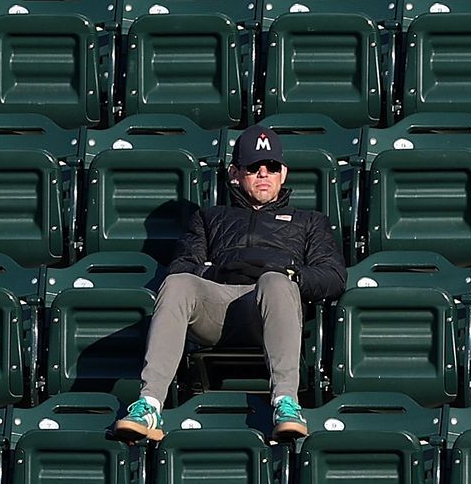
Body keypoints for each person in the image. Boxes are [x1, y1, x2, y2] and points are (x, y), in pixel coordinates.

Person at [111, 124, 345, 442]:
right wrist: (222, 271)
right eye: (254, 167)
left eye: (272, 167)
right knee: (178, 283)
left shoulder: (309, 222)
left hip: (269, 308)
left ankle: (286, 404)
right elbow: (184, 265)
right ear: (236, 173)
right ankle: (149, 405)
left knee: (275, 282)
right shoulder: (209, 217)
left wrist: (289, 274)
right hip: (215, 309)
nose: (264, 173)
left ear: (283, 173)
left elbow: (332, 277)